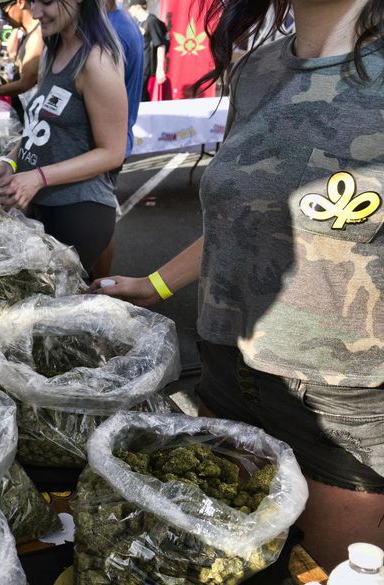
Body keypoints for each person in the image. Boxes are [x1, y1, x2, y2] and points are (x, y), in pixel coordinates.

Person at [91, 0, 383, 571]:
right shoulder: (259, 70)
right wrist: (155, 284)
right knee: (222, 566)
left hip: (341, 403)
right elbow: (246, 213)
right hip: (226, 375)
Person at [0, 0, 128, 278]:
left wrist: (38, 177)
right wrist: (11, 163)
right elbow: (40, 127)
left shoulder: (95, 62)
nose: (36, 12)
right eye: (32, 2)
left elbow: (112, 152)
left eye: (47, 2)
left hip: (77, 213)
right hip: (42, 207)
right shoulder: (55, 48)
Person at [92, 0, 145, 278]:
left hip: (106, 145)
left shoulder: (113, 31)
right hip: (112, 141)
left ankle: (99, 289)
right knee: (98, 220)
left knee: (98, 224)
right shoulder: (118, 24)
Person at [0, 0, 43, 122]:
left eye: (4, 12)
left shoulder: (37, 36)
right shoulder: (29, 34)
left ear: (20, 3)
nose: (4, 18)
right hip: (25, 116)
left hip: (34, 119)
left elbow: (25, 83)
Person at [126, 0, 171, 101]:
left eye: (131, 7)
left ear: (137, 6)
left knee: (143, 98)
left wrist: (160, 69)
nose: (129, 11)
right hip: (140, 67)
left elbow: (160, 45)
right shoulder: (139, 22)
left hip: (148, 69)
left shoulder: (152, 21)